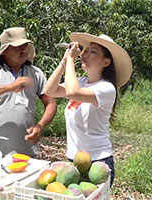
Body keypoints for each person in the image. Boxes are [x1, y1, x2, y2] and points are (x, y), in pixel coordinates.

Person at [44, 33, 132, 186]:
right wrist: (64, 63)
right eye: (86, 50)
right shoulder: (81, 82)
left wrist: (71, 60)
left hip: (98, 162)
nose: (85, 54)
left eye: (93, 51)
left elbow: (73, 93)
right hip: (74, 161)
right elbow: (49, 90)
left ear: (106, 62)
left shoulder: (106, 88)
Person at [0, 27, 57, 166]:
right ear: (5, 50)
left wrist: (40, 126)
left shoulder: (35, 73)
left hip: (26, 152)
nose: (23, 50)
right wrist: (9, 88)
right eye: (17, 47)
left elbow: (51, 103)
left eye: (25, 46)